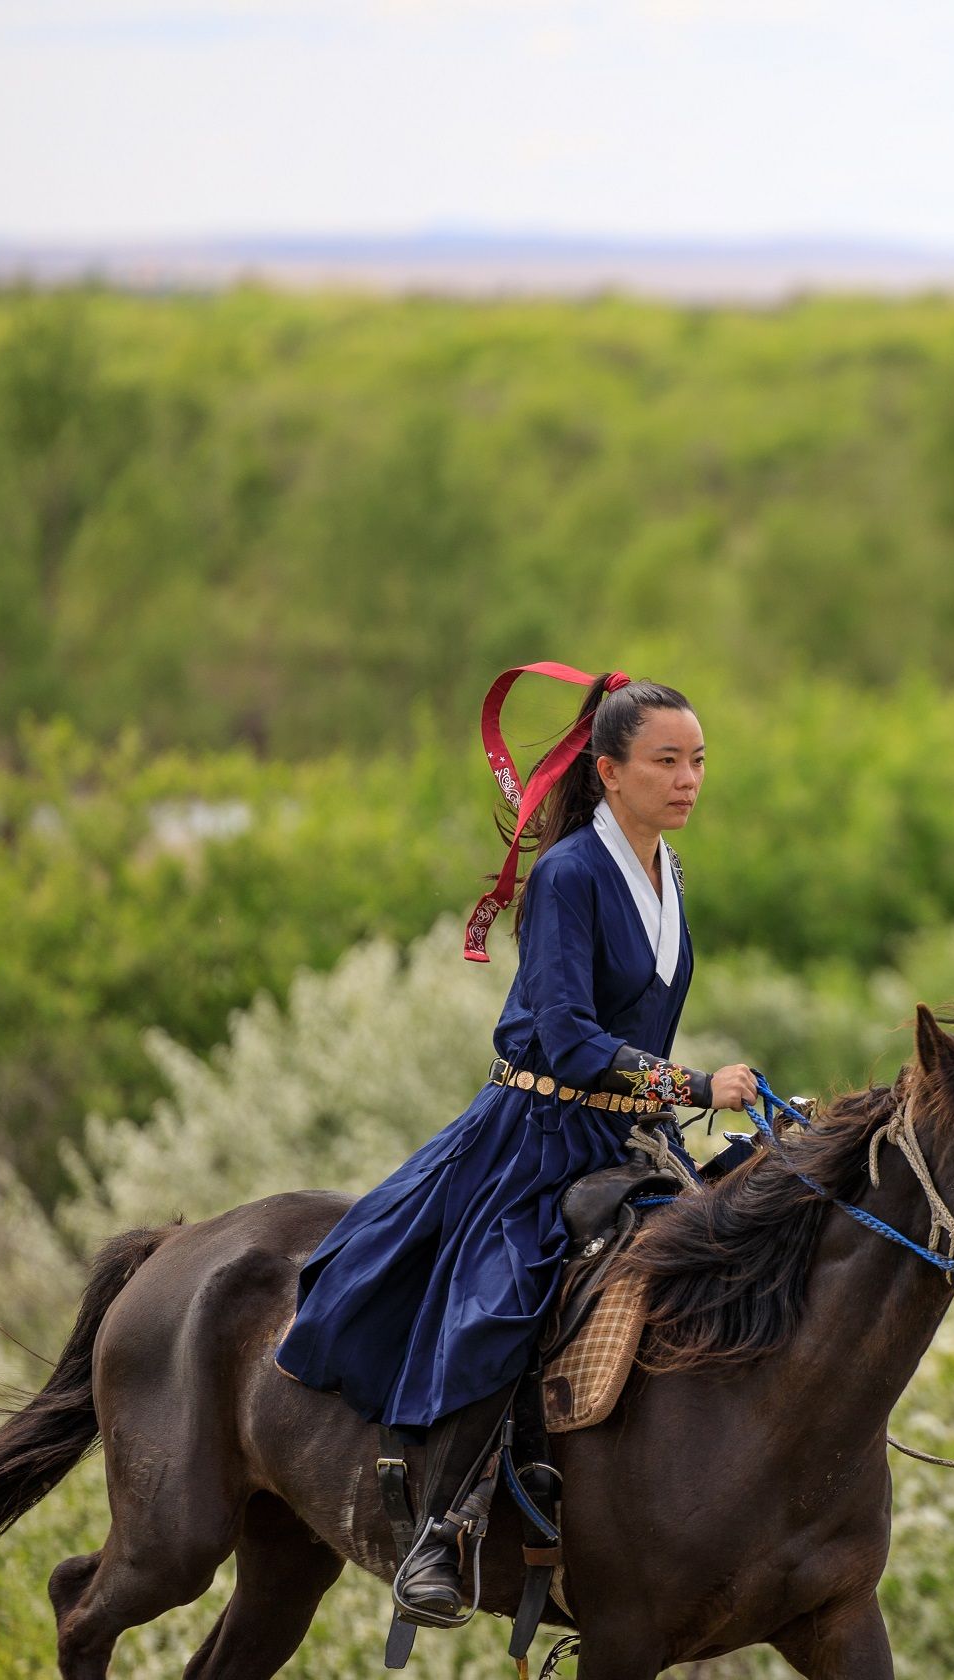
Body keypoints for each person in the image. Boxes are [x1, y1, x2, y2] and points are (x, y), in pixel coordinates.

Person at [273, 672, 753, 1629]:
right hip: (533, 1138)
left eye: (698, 761)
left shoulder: (667, 873)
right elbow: (571, 1040)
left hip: (622, 1135)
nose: (689, 779)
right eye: (668, 761)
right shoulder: (571, 875)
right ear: (610, 772)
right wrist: (693, 1088)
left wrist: (668, 1111)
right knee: (503, 1304)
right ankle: (439, 1537)